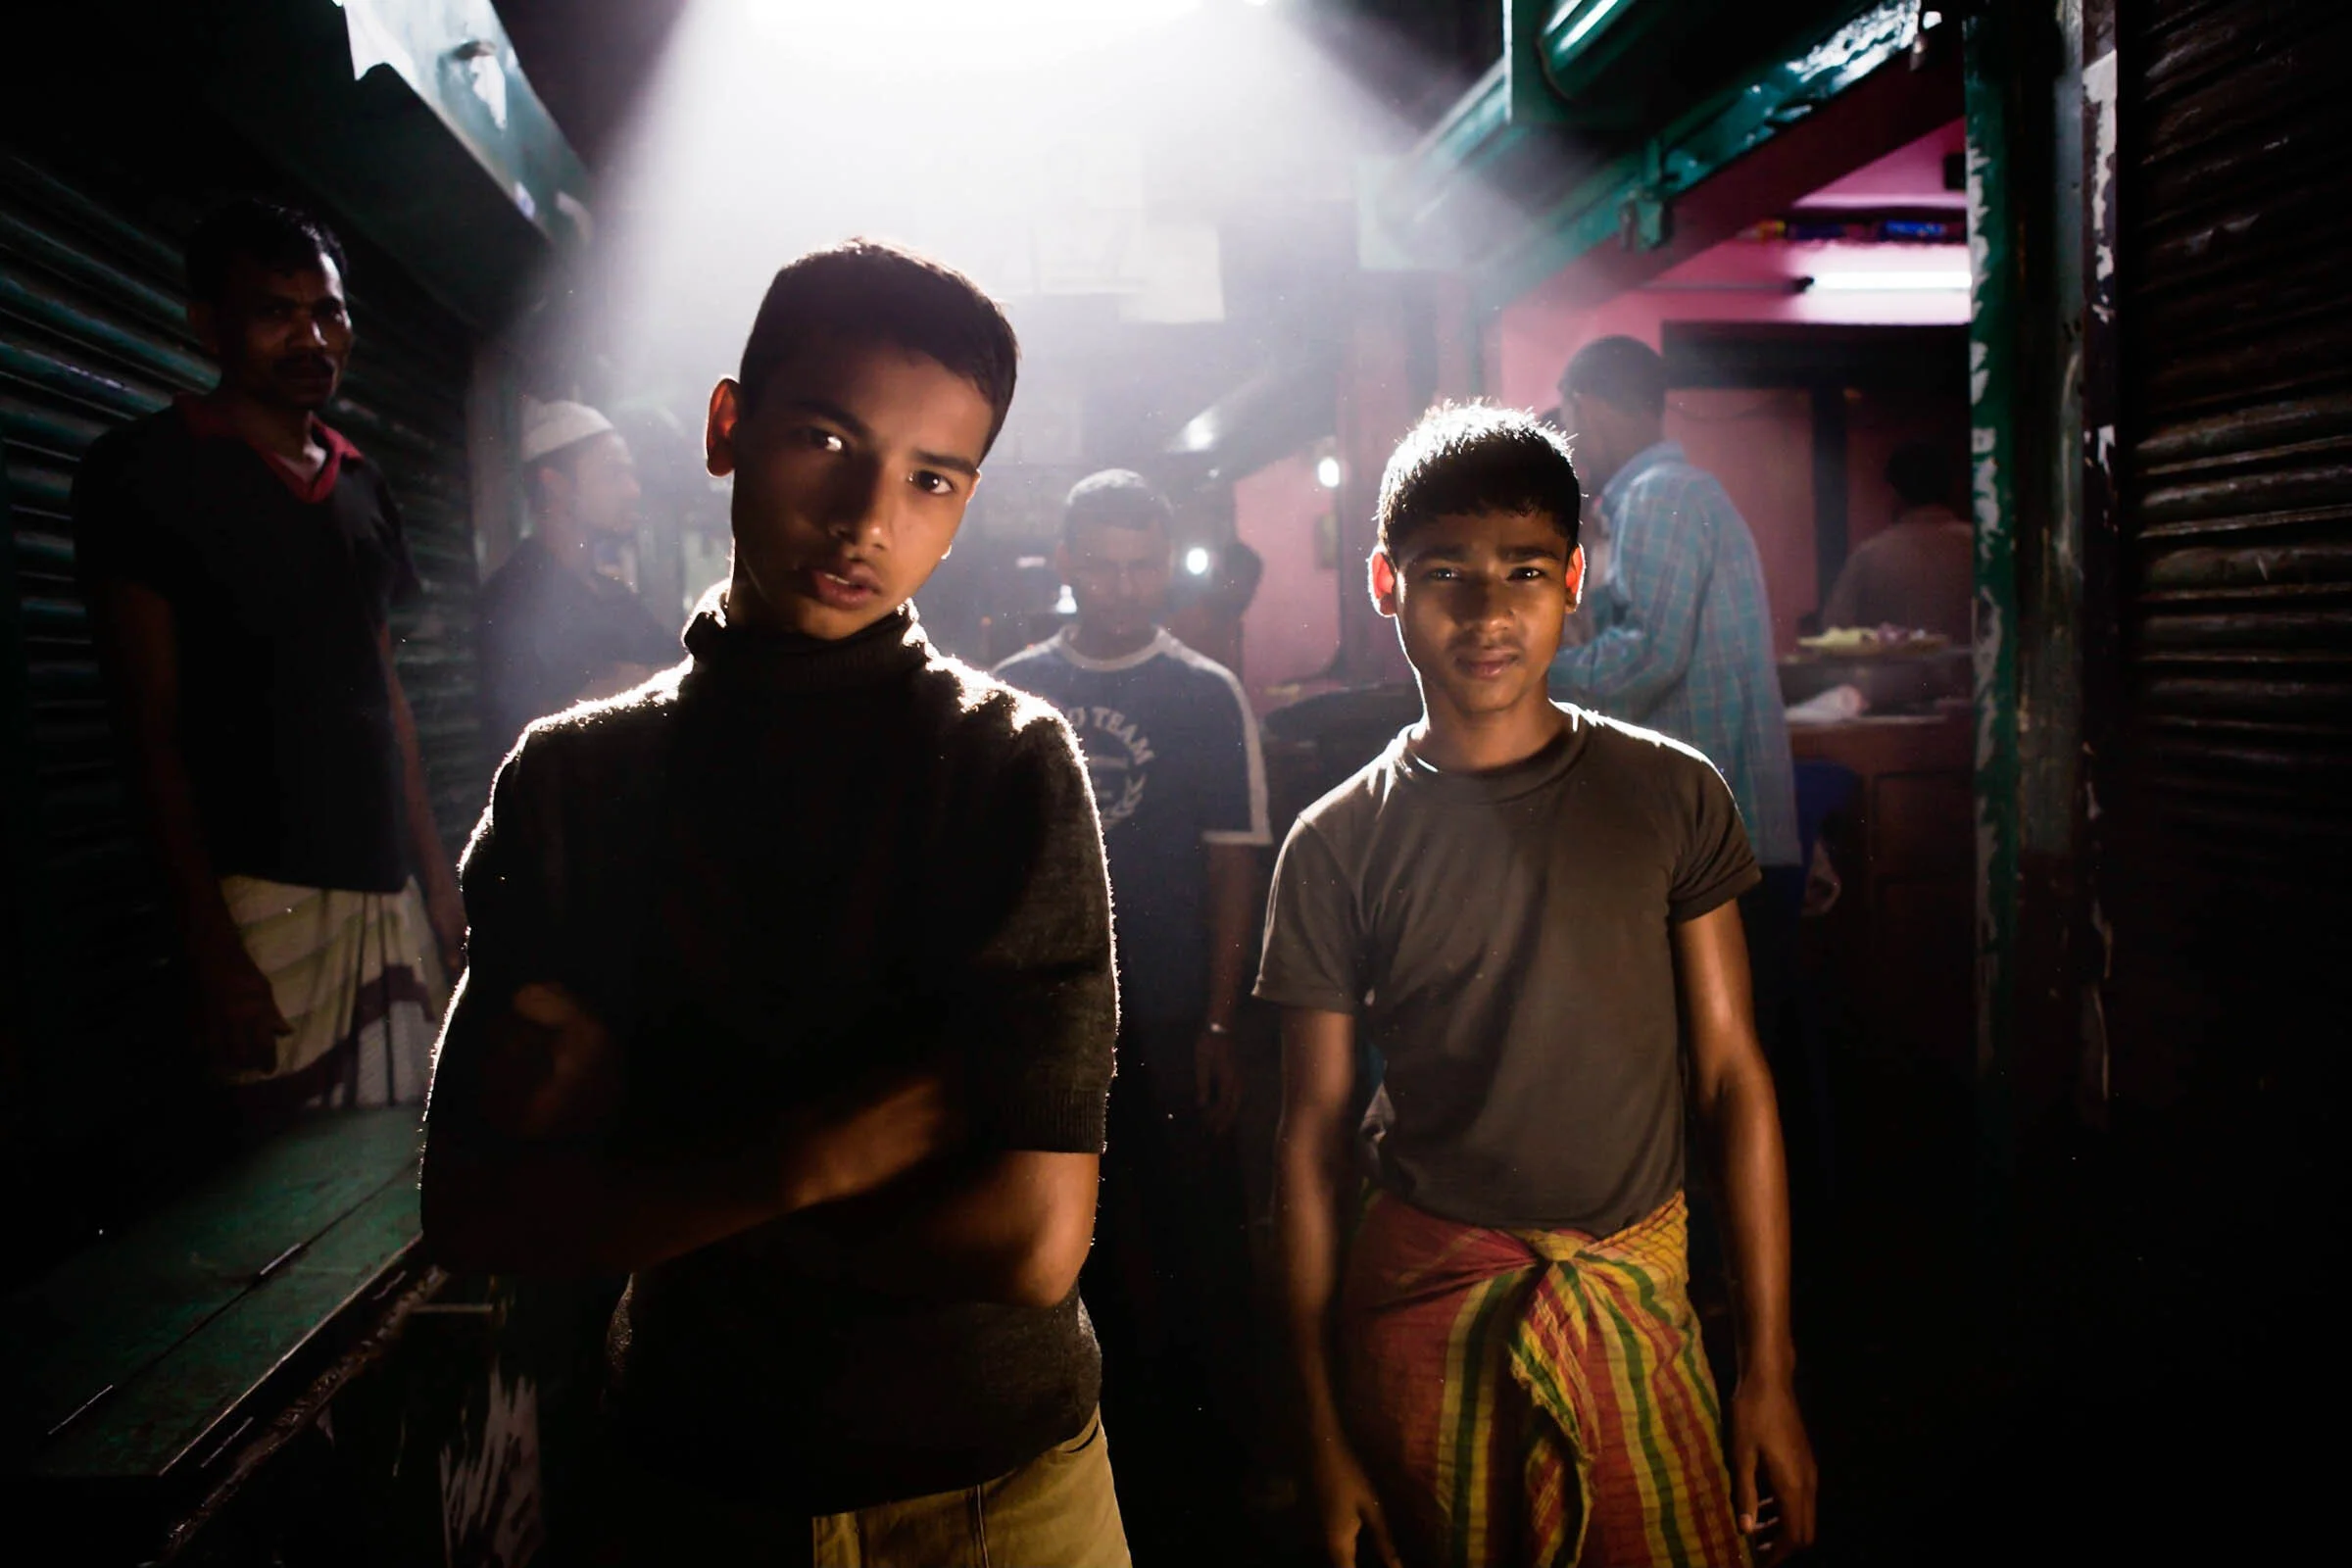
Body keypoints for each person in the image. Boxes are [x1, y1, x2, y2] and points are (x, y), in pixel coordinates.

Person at [419, 239, 1129, 1566]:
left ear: (966, 504)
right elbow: (475, 1208)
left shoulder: (1002, 765)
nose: (869, 518)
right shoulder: (574, 781)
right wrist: (820, 1154)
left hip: (993, 1492)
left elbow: (1034, 1242)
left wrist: (656, 1164)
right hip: (689, 1481)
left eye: (931, 480)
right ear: (727, 428)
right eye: (826, 439)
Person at [1261, 404, 1818, 1568]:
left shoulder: (1671, 794)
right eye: (1443, 572)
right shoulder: (1332, 843)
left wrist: (1767, 1371)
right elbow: (1310, 1142)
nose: (1485, 609)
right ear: (1383, 582)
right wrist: (1320, 1431)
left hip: (1633, 1304)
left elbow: (1733, 1079)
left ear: (1573, 580)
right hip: (1424, 1321)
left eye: (1522, 570)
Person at [74, 197, 462, 1122]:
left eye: (328, 311)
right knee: (286, 1185)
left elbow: (385, 692)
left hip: (384, 887)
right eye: (275, 312)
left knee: (404, 1155)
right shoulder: (146, 470)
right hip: (260, 899)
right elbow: (147, 723)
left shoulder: (363, 483)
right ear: (207, 323)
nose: (312, 336)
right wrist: (211, 944)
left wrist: (437, 885)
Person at [993, 472, 1272, 1549]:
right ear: (1065, 562)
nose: (1121, 587)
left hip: (1168, 1017)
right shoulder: (1012, 692)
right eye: (1100, 565)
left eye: (1139, 566)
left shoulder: (1206, 695)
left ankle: (1218, 1468)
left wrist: (1219, 1023)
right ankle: (1074, 1464)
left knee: (1198, 1244)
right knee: (1067, 1255)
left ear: (1164, 564)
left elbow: (1234, 868)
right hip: (1053, 1030)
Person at [476, 399, 679, 759]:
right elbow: (523, 733)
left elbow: (683, 670)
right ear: (556, 485)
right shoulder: (512, 597)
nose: (633, 489)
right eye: (614, 472)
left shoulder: (614, 597)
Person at [1821, 440, 1974, 642]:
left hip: (1895, 674)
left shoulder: (1870, 556)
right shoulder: (1979, 547)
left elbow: (1835, 632)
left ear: (1893, 493)